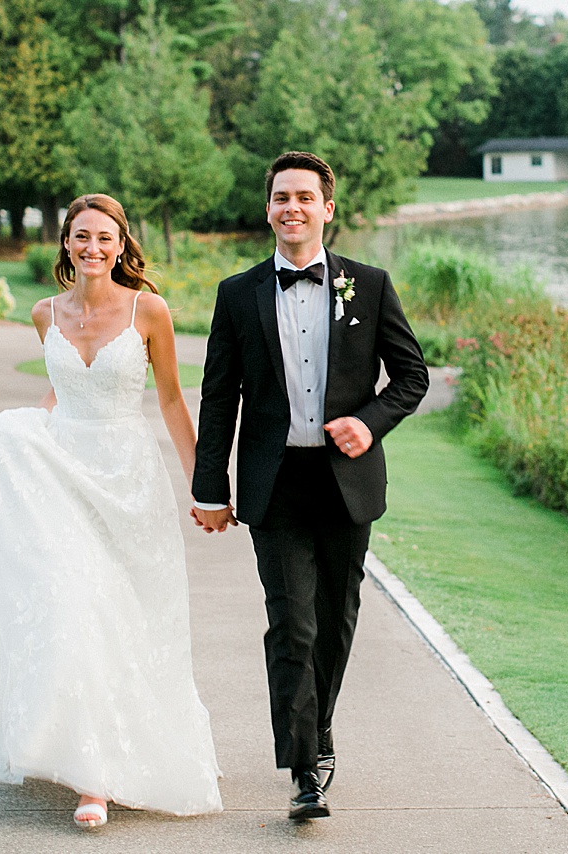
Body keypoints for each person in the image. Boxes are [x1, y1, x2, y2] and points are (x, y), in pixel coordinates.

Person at [0, 193, 222, 830]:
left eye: (105, 237)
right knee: (73, 607)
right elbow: (58, 390)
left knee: (131, 621)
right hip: (59, 475)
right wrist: (15, 434)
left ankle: (143, 751)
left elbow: (173, 404)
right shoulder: (45, 314)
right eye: (81, 237)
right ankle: (91, 777)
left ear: (122, 244)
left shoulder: (148, 310)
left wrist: (205, 487)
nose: (92, 247)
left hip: (127, 481)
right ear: (66, 244)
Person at [191, 152, 428, 821]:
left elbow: (412, 376)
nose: (290, 207)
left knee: (334, 620)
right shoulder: (237, 294)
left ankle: (318, 723)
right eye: (279, 197)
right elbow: (218, 398)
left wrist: (370, 423)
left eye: (303, 197)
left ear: (327, 207)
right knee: (291, 623)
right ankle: (305, 768)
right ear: (267, 209)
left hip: (345, 482)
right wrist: (211, 486)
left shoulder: (370, 285)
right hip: (274, 483)